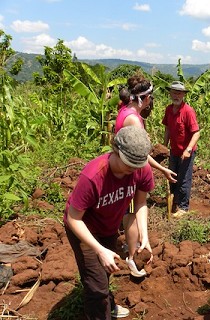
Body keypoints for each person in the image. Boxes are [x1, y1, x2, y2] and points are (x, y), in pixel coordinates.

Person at [64, 126, 155, 319]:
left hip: (108, 227)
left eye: (137, 165)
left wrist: (144, 237)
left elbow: (140, 203)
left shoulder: (142, 168)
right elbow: (73, 218)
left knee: (104, 272)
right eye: (129, 164)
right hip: (84, 229)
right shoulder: (93, 176)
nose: (133, 169)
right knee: (96, 286)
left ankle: (108, 303)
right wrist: (99, 249)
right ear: (115, 150)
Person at [116, 74, 176, 277]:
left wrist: (160, 169)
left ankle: (135, 247)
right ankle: (133, 257)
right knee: (132, 212)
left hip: (132, 168)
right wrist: (160, 168)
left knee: (133, 210)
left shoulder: (126, 111)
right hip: (132, 171)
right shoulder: (133, 119)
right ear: (146, 98)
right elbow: (139, 153)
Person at [162, 81, 200, 217]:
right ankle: (174, 201)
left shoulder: (188, 111)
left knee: (184, 178)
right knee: (172, 176)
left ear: (183, 95)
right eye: (174, 92)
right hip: (174, 150)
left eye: (179, 93)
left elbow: (196, 132)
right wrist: (164, 146)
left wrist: (188, 149)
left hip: (186, 152)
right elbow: (167, 129)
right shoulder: (168, 109)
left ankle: (183, 207)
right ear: (170, 93)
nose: (176, 95)